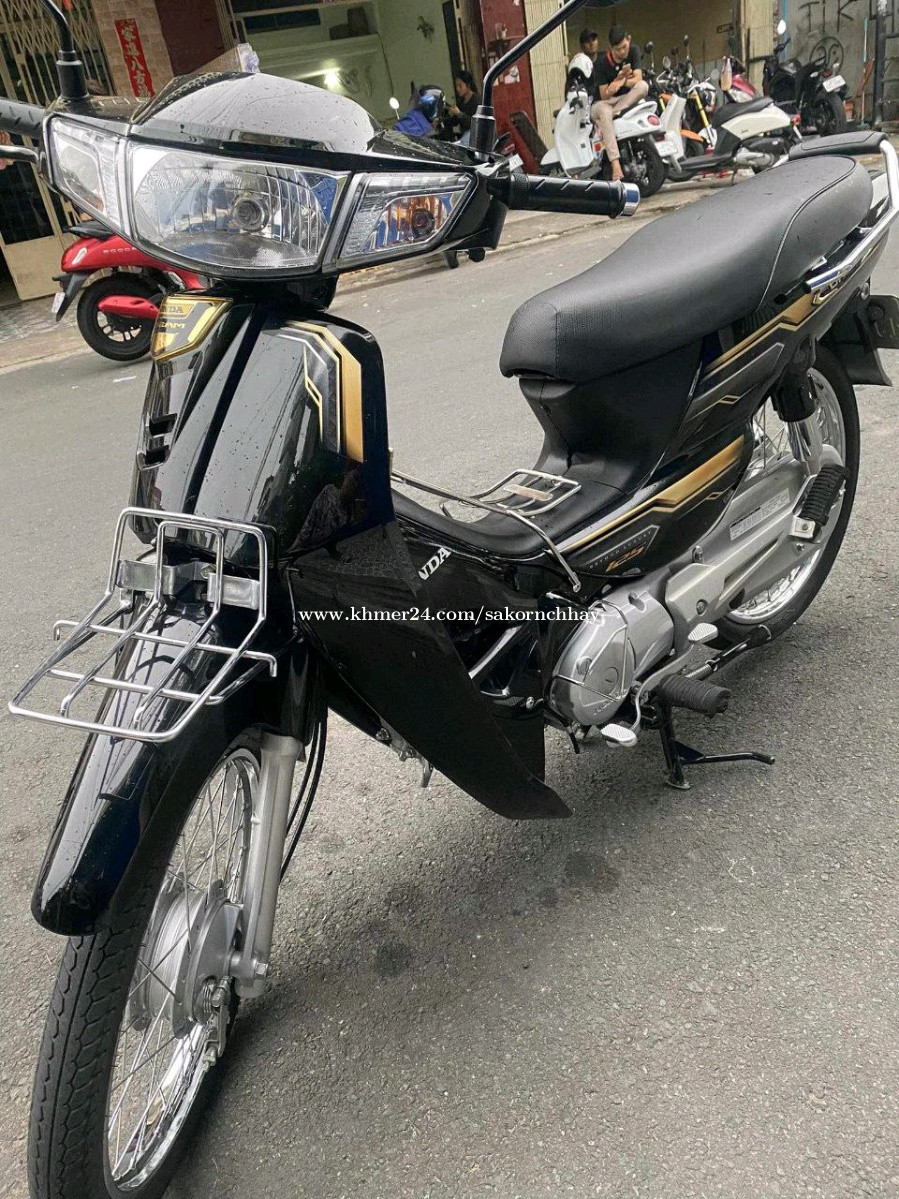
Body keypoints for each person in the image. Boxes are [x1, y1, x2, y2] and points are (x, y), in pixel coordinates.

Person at [591, 25, 649, 181]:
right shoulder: (602, 62)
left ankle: (614, 114)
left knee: (643, 86)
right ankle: (615, 163)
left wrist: (622, 82)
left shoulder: (634, 51)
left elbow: (638, 79)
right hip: (602, 103)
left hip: (623, 100)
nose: (623, 51)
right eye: (618, 49)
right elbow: (603, 95)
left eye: (624, 46)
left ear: (629, 40)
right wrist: (613, 86)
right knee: (605, 111)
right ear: (611, 48)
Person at [446, 70, 480, 143]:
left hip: (476, 138)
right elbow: (455, 121)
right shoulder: (461, 101)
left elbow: (474, 123)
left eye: (460, 86)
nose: (458, 89)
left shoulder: (477, 100)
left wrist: (459, 113)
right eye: (456, 86)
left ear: (468, 85)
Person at [567, 28, 600, 96]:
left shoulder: (604, 59)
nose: (592, 43)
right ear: (581, 46)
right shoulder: (578, 65)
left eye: (593, 39)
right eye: (587, 41)